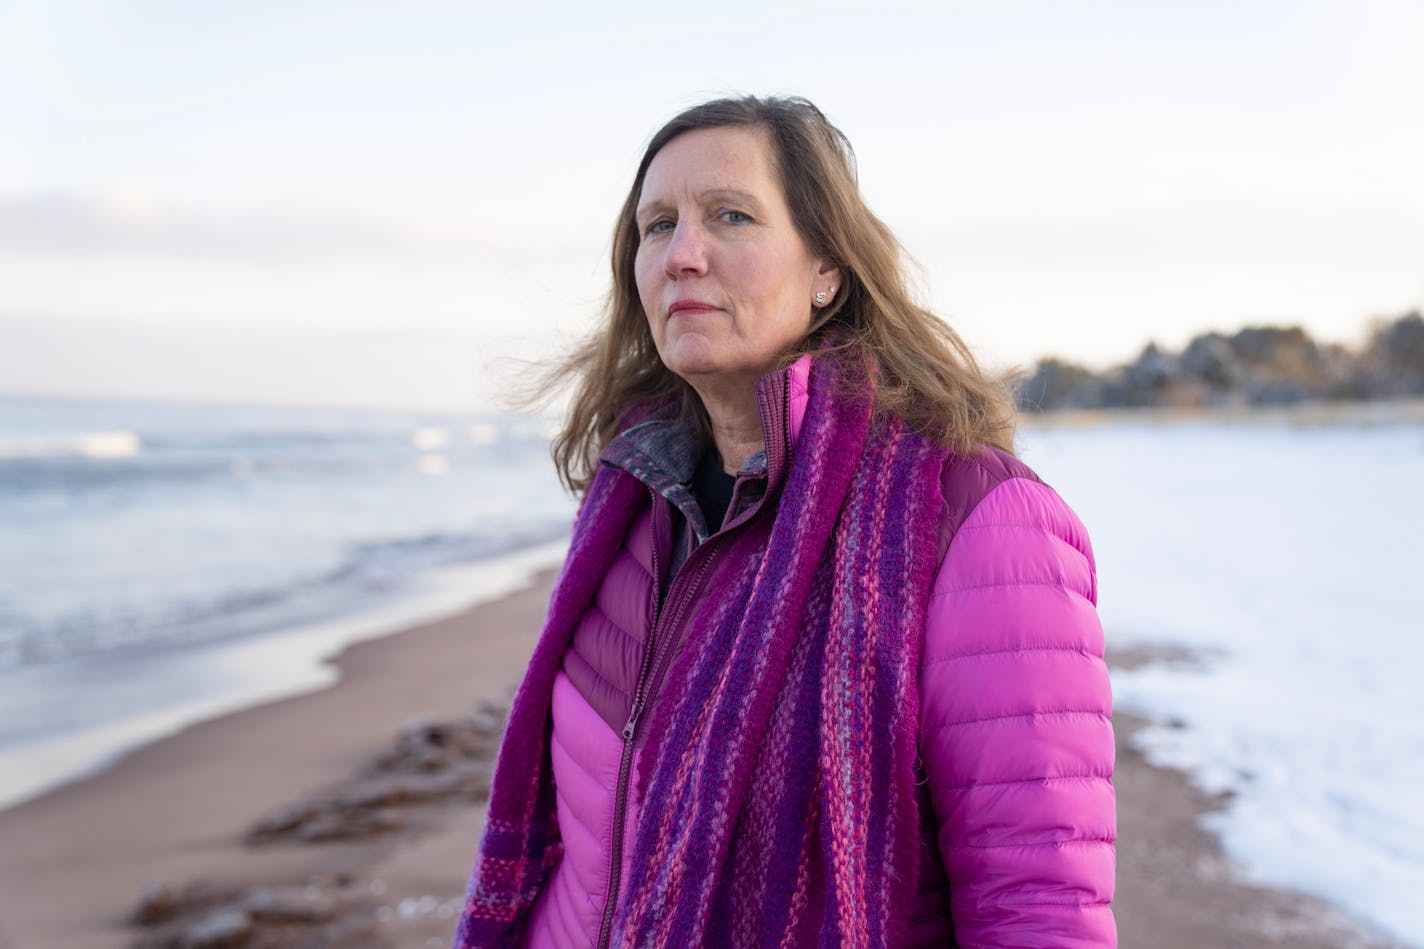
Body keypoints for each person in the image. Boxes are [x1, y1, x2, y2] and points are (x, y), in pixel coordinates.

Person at [454, 95, 1116, 948]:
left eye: (730, 216)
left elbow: (1039, 910)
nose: (683, 255)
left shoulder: (977, 521)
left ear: (827, 272)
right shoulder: (629, 506)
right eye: (657, 226)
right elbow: (584, 866)